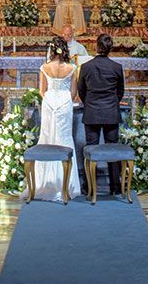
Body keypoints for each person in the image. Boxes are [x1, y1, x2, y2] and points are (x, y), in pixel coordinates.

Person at [31, 36, 81, 202]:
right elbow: (74, 93)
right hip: (65, 102)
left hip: (49, 101)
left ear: (52, 50)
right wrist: (64, 100)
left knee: (47, 137)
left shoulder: (45, 67)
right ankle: (67, 183)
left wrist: (51, 100)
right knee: (64, 138)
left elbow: (42, 91)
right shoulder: (72, 68)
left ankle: (45, 181)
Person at [78, 33, 125, 196]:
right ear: (110, 49)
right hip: (111, 112)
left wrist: (90, 103)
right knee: (112, 148)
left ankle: (88, 187)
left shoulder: (86, 67)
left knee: (90, 148)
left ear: (96, 47)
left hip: (91, 112)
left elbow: (81, 91)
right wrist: (111, 103)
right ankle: (115, 186)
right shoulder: (116, 67)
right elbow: (120, 92)